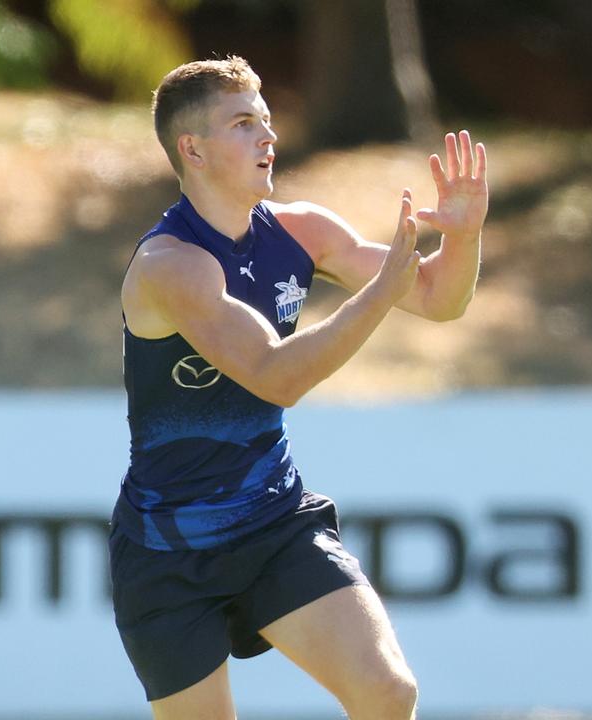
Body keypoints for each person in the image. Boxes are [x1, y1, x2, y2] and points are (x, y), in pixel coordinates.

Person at [108, 55, 488, 720]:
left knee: (388, 692)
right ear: (192, 149)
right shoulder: (171, 267)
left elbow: (436, 299)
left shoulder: (302, 230)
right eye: (244, 122)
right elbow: (277, 376)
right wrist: (379, 293)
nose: (268, 136)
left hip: (275, 524)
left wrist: (463, 236)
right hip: (167, 554)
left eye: (268, 119)